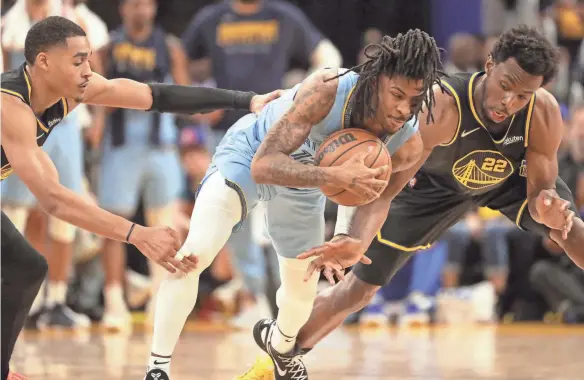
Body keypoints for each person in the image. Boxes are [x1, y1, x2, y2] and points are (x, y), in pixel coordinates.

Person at [238, 25, 584, 379]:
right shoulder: (442, 107)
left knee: (571, 230)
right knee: (359, 290)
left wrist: (547, 208)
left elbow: (542, 188)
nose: (510, 102)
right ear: (490, 64)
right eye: (506, 86)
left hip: (507, 177)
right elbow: (387, 189)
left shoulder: (542, 111)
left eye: (523, 95)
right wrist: (356, 240)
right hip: (433, 189)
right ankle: (280, 352)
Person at [144, 29, 443, 380]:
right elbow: (264, 165)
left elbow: (378, 195)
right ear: (378, 79)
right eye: (396, 94)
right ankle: (157, 368)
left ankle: (280, 347)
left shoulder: (407, 143)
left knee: (302, 293)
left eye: (414, 98)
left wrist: (352, 239)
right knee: (195, 253)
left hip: (306, 188)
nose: (402, 108)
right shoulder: (328, 90)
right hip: (251, 154)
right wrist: (333, 178)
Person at [0, 15, 280, 380]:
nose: (88, 69)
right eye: (78, 61)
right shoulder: (10, 105)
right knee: (24, 266)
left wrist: (248, 100)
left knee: (27, 267)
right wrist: (137, 233)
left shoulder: (71, 91)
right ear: (43, 61)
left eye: (87, 58)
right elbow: (53, 201)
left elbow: (155, 95)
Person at [93, 0, 195, 332]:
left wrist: (190, 141)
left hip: (160, 145)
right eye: (133, 3)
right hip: (121, 145)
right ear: (122, 9)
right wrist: (95, 126)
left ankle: (159, 300)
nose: (139, 9)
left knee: (166, 226)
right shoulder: (108, 47)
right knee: (114, 227)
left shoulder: (170, 47)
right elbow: (95, 93)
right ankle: (114, 303)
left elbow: (183, 96)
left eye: (145, 4)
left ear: (153, 9)